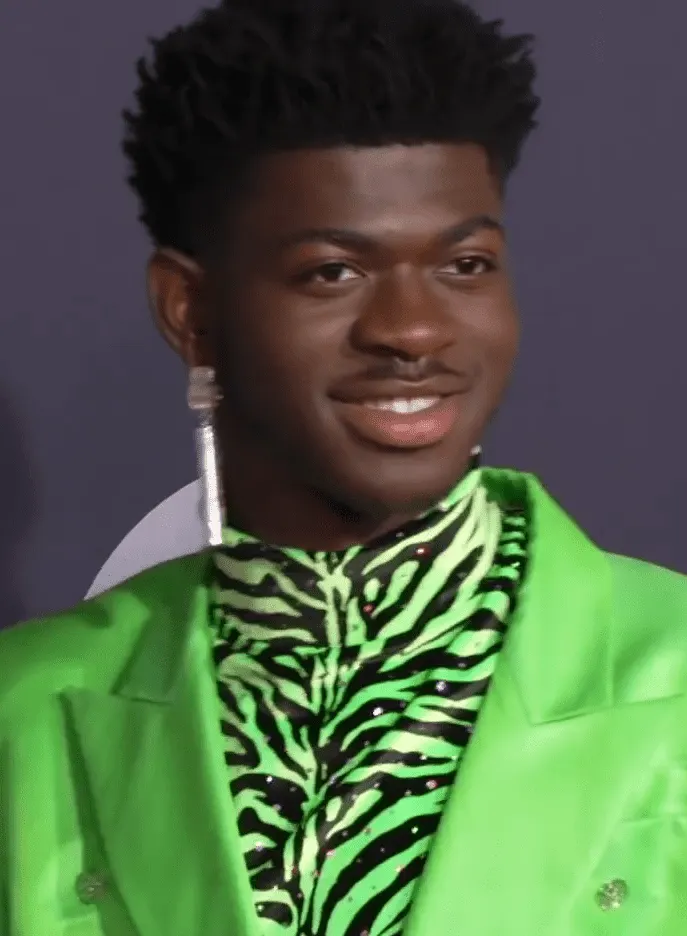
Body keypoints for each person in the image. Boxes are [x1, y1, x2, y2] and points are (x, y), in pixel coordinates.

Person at [2, 0, 686, 934]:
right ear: (188, 311)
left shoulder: (672, 671)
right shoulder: (26, 708)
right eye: (332, 272)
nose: (412, 329)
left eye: (466, 264)